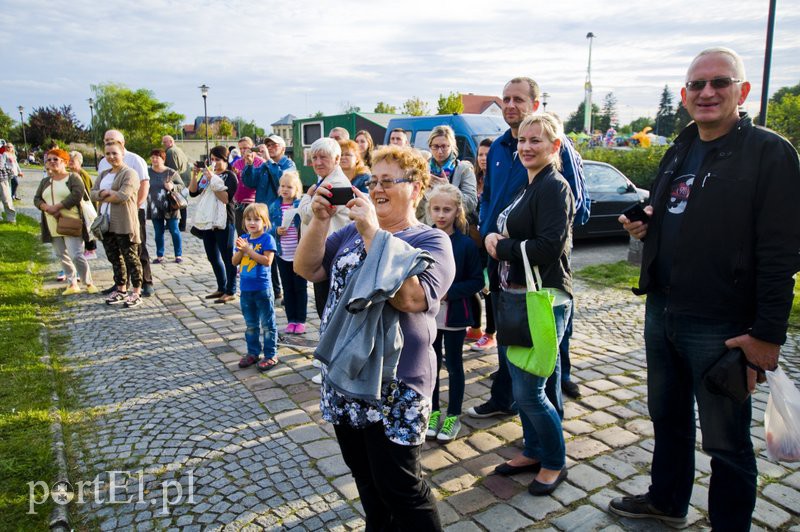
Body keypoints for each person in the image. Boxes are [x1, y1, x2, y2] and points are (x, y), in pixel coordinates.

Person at [608, 47, 800, 531]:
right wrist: (646, 224)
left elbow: (782, 252)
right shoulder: (681, 146)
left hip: (722, 323)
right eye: (697, 85)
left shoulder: (769, 152)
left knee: (725, 440)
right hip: (663, 308)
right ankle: (667, 500)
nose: (707, 92)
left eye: (720, 82)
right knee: (666, 417)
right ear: (684, 95)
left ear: (743, 91)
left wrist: (767, 336)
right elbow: (674, 207)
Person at [294, 145, 454, 531]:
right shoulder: (347, 231)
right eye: (373, 181)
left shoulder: (431, 241)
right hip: (346, 372)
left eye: (388, 181)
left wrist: (372, 231)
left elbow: (412, 298)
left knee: (401, 486)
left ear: (416, 188)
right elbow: (307, 267)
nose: (376, 189)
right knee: (365, 478)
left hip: (397, 382)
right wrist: (318, 220)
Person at [470, 76, 588, 419]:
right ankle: (505, 399)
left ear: (535, 104)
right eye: (505, 98)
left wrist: (519, 240)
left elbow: (576, 208)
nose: (510, 105)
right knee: (510, 337)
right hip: (501, 257)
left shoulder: (555, 149)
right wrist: (487, 231)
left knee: (544, 350)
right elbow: (489, 196)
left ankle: (547, 419)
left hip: (536, 267)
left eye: (518, 99)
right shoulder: (499, 148)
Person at [486, 113, 574, 496]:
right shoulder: (529, 183)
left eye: (536, 140)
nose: (525, 146)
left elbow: (547, 247)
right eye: (522, 140)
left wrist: (499, 246)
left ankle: (555, 461)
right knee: (522, 384)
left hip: (544, 300)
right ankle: (533, 450)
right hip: (516, 298)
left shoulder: (554, 187)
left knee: (530, 391)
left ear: (555, 147)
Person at [425, 184, 483, 442]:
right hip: (428, 315)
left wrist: (450, 292)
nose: (441, 214)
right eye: (436, 209)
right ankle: (434, 411)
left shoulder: (466, 244)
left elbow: (476, 281)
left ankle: (453, 415)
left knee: (455, 365)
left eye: (446, 209)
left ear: (457, 210)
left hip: (455, 315)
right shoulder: (425, 238)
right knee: (432, 364)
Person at [297, 137, 351, 319]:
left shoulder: (334, 184)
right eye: (314, 158)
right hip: (324, 252)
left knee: (328, 309)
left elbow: (307, 214)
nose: (318, 162)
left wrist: (307, 196)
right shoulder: (325, 179)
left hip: (330, 255)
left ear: (336, 159)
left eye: (323, 157)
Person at [97, 130, 155, 297]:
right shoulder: (103, 162)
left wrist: (135, 207)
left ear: (122, 143)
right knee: (115, 250)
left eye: (112, 140)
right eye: (106, 140)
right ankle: (121, 283)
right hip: (110, 213)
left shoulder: (134, 159)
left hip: (133, 210)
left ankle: (146, 281)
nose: (109, 143)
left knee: (137, 248)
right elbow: (97, 189)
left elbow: (144, 184)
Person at [33, 148, 97, 295]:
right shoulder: (45, 181)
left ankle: (88, 282)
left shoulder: (73, 177)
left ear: (65, 162)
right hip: (52, 223)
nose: (52, 162)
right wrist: (46, 207)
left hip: (71, 222)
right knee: (61, 254)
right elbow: (37, 199)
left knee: (76, 254)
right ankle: (72, 283)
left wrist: (58, 206)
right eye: (49, 160)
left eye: (56, 159)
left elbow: (77, 194)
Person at [91, 141, 143, 308]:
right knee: (114, 257)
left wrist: (104, 195)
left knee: (131, 257)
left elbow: (123, 195)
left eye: (114, 153)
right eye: (108, 154)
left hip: (123, 222)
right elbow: (92, 194)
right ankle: (121, 289)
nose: (111, 157)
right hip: (106, 223)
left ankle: (136, 291)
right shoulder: (104, 174)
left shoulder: (129, 173)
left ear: (122, 154)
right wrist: (103, 193)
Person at [189, 146, 238, 304]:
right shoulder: (208, 175)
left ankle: (231, 290)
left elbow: (225, 198)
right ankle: (221, 287)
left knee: (227, 257)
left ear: (225, 160)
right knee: (212, 256)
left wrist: (212, 179)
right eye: (212, 159)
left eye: (218, 159)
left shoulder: (229, 176)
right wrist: (195, 174)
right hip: (208, 222)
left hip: (224, 222)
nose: (214, 162)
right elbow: (192, 192)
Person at [233, 203, 278, 372]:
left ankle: (270, 354)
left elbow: (267, 261)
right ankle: (253, 352)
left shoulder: (267, 239)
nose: (252, 223)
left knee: (267, 324)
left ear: (264, 222)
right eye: (248, 219)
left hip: (262, 289)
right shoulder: (244, 238)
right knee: (251, 324)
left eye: (256, 219)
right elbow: (234, 262)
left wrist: (249, 251)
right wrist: (241, 250)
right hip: (246, 289)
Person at [269, 171, 307, 334]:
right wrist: (276, 230)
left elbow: (307, 224)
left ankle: (301, 320)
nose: (285, 189)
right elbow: (267, 228)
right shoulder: (274, 206)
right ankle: (291, 319)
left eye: (289, 187)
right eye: (283, 186)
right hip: (282, 254)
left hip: (299, 254)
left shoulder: (300, 205)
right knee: (287, 288)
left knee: (300, 288)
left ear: (296, 189)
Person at [417, 125, 478, 224]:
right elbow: (413, 205)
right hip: (426, 228)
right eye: (435, 146)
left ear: (452, 146)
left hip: (453, 228)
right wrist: (422, 189)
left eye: (444, 146)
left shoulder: (464, 169)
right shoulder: (423, 169)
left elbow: (471, 203)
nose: (440, 151)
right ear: (430, 146)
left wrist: (449, 189)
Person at [472, 138, 497, 350]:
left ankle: (490, 332)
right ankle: (476, 327)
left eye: (488, 155)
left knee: (490, 289)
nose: (483, 159)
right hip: (474, 241)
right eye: (480, 154)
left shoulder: (498, 180)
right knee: (476, 283)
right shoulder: (474, 179)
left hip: (490, 241)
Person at [147, 149, 185, 264]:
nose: (154, 160)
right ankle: (160, 255)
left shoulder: (171, 172)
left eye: (157, 157)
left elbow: (182, 185)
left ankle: (178, 254)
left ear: (163, 159)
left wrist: (172, 186)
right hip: (154, 206)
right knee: (158, 232)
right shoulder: (147, 172)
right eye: (152, 157)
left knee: (174, 230)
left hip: (171, 206)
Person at [68, 151, 98, 260]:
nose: (70, 163)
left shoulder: (83, 174)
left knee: (87, 226)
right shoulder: (69, 173)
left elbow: (89, 193)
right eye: (69, 160)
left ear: (79, 162)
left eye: (72, 161)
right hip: (74, 209)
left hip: (84, 207)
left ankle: (90, 249)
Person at [162, 135, 190, 231]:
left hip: (177, 181)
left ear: (171, 141)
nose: (163, 144)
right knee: (182, 201)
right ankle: (182, 224)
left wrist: (168, 182)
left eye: (165, 142)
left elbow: (171, 169)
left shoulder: (170, 152)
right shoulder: (179, 150)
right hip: (185, 180)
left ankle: (175, 224)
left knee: (175, 201)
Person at [0, 145, 18, 223]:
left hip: (2, 180)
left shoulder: (2, 155)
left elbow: (4, 167)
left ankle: (11, 219)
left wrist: (9, 176)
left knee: (7, 200)